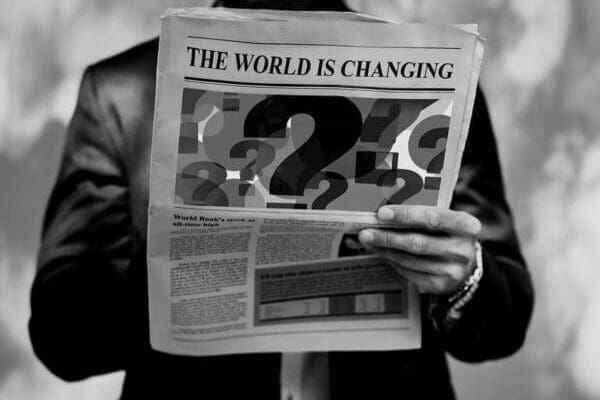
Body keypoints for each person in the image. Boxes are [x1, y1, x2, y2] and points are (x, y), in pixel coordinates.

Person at [28, 0, 534, 399]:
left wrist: (463, 279)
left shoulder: (433, 81)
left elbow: (506, 319)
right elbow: (61, 336)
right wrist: (180, 253)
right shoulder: (119, 93)